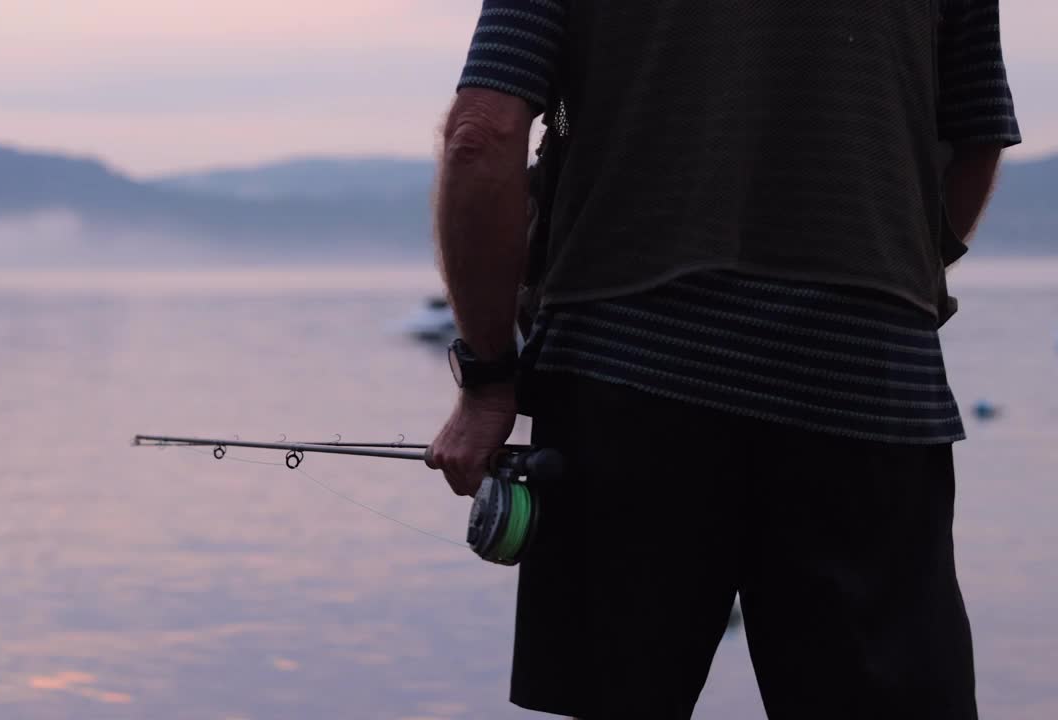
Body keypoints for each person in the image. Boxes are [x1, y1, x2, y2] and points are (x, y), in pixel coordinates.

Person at [426, 1, 1021, 718]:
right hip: (867, 387)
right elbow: (975, 136)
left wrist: (490, 380)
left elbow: (480, 134)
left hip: (625, 380)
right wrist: (893, 276)